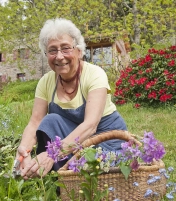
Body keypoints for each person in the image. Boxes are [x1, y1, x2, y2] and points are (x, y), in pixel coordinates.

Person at [16, 18, 127, 180]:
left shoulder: (95, 74)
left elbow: (90, 125)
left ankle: (66, 175)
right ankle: (51, 176)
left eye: (66, 48)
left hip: (106, 141)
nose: (59, 56)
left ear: (79, 51)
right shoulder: (46, 82)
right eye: (52, 50)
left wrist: (52, 153)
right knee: (50, 120)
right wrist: (24, 150)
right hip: (74, 142)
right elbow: (35, 122)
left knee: (93, 167)